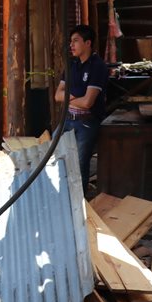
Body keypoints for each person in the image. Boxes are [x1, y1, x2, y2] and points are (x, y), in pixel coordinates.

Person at [55, 24, 108, 190]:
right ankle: (62, 198)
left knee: (79, 164)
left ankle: (81, 204)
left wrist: (68, 97)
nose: (71, 45)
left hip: (87, 122)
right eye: (71, 41)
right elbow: (57, 96)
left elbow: (87, 103)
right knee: (56, 158)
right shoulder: (72, 64)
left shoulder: (97, 66)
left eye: (76, 41)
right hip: (68, 120)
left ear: (88, 43)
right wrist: (77, 95)